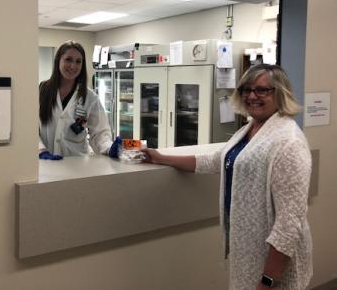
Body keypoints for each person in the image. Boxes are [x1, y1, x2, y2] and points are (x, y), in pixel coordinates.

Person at [143, 64, 312, 290]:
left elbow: (289, 224)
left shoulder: (288, 142)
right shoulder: (251, 128)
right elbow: (216, 160)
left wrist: (268, 281)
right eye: (246, 89)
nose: (252, 96)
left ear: (280, 93)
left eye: (262, 90)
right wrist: (161, 158)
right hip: (247, 250)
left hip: (274, 266)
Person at [39, 41, 119, 159]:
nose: (73, 66)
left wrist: (109, 148)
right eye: (68, 60)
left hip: (77, 164)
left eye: (78, 61)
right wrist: (40, 150)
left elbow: (99, 133)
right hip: (45, 164)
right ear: (58, 61)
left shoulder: (90, 97)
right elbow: (29, 127)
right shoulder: (41, 90)